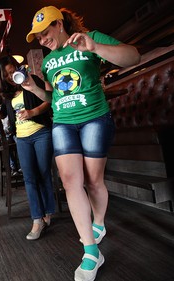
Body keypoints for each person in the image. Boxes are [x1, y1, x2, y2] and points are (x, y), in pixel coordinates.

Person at [24, 6, 141, 281]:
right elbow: (53, 97)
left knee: (93, 181)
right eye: (38, 38)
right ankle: (91, 251)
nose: (42, 40)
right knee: (70, 181)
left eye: (45, 33)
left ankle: (98, 222)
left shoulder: (90, 38)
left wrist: (95, 47)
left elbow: (133, 56)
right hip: (63, 122)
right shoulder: (48, 63)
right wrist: (34, 89)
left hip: (94, 118)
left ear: (59, 24)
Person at [0, 55, 56, 241]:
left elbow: (49, 101)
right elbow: (5, 114)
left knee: (43, 173)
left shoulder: (31, 81)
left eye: (13, 71)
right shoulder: (6, 95)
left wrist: (32, 112)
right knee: (29, 178)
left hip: (41, 133)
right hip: (21, 138)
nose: (11, 76)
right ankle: (37, 219)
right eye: (6, 75)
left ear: (17, 67)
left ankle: (48, 212)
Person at [0, 92, 19, 175]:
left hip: (12, 132)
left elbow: (7, 126)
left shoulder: (2, 109)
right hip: (8, 134)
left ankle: (15, 167)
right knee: (6, 142)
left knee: (6, 143)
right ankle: (15, 167)